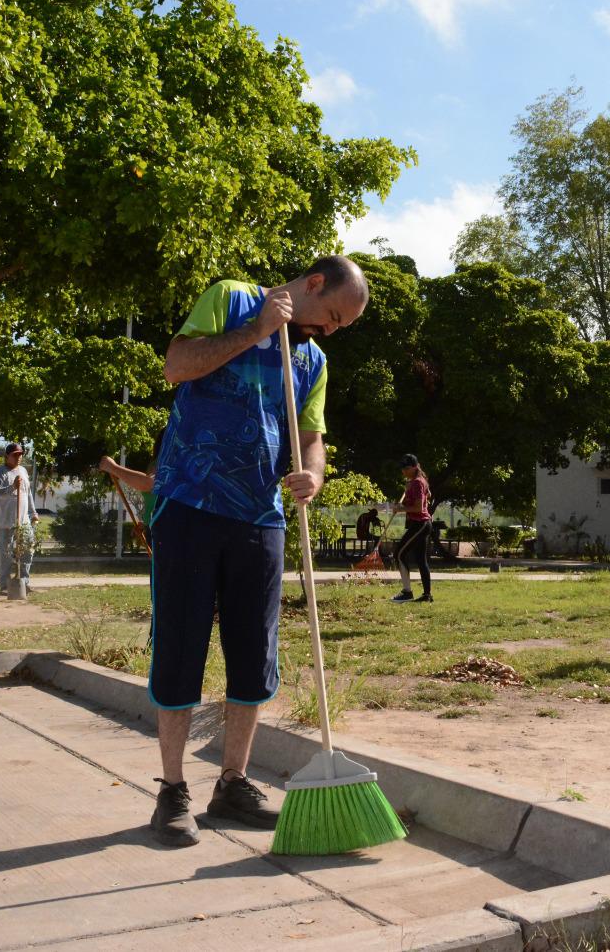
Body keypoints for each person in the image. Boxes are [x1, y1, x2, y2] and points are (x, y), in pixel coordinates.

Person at [146, 254, 369, 848]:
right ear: (314, 284)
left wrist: (314, 476)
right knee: (180, 644)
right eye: (331, 316)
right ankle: (171, 790)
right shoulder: (232, 298)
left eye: (340, 327)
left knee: (253, 655)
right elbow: (176, 367)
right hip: (189, 504)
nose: (329, 331)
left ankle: (233, 782)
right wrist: (256, 331)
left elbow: (314, 439)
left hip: (261, 517)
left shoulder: (312, 360)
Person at [0, 443, 38, 596]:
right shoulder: (0, 472)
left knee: (28, 551)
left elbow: (28, 493)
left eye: (20, 454)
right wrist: (12, 487)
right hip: (5, 522)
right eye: (15, 455)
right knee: (6, 555)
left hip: (23, 522)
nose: (18, 457)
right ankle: (4, 585)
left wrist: (33, 512)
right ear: (7, 456)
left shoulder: (23, 471)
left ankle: (23, 582)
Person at [389, 455, 433, 603]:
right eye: (402, 468)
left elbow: (419, 508)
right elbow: (429, 495)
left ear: (415, 467)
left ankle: (407, 592)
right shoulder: (417, 482)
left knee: (399, 554)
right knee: (421, 560)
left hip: (420, 524)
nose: (404, 471)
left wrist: (401, 509)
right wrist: (409, 491)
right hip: (421, 524)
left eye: (407, 468)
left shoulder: (417, 483)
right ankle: (427, 595)